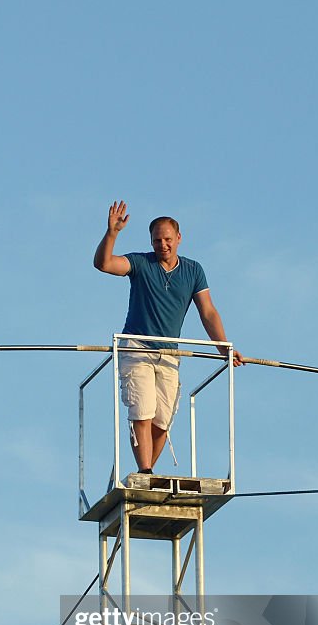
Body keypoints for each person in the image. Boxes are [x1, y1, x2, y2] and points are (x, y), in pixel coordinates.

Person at [93, 200, 243, 474]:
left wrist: (224, 349)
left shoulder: (193, 270)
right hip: (137, 347)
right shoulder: (140, 263)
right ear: (151, 242)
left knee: (163, 419)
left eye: (168, 239)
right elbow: (103, 264)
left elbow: (208, 312)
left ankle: (147, 470)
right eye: (157, 240)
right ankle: (146, 471)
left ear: (179, 239)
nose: (163, 245)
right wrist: (112, 233)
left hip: (170, 353)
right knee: (142, 410)